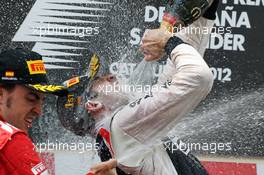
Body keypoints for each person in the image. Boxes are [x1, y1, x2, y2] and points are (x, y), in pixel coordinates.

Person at [57, 0, 219, 174]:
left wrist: (204, 14)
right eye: (100, 80)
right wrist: (168, 41)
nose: (111, 76)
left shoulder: (122, 132)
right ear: (93, 105)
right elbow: (198, 77)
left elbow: (174, 77)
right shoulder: (121, 126)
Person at [0, 48, 116, 175]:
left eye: (42, 101)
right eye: (31, 99)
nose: (39, 111)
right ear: (1, 94)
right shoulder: (11, 141)